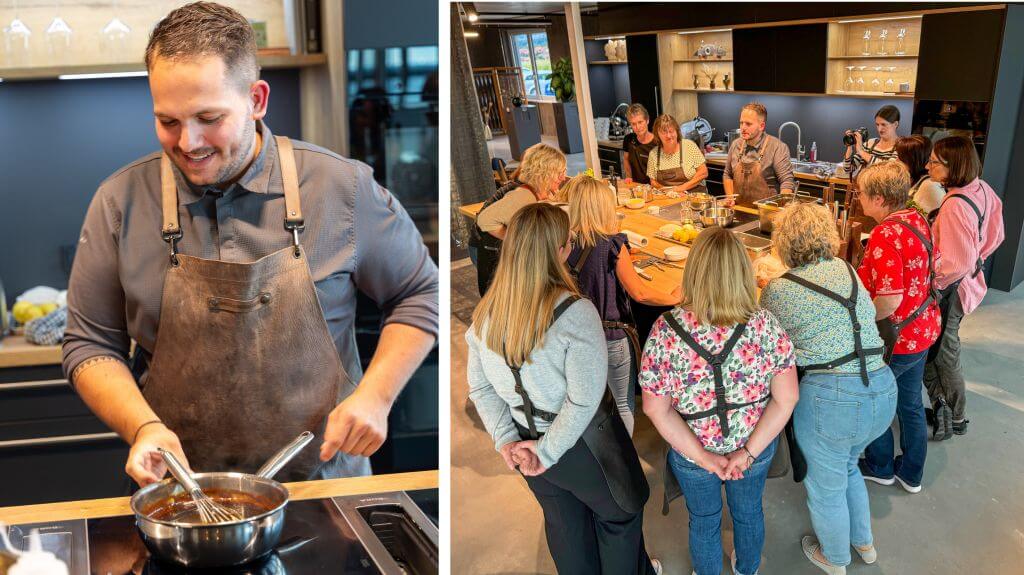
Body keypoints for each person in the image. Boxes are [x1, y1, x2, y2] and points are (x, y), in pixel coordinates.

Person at [62, 2, 438, 486]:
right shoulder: (120, 203)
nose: (188, 142)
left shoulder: (340, 188)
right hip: (184, 494)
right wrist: (144, 426)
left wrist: (378, 395)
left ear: (257, 100)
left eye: (208, 117)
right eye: (168, 121)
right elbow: (89, 344)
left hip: (325, 486)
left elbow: (420, 292)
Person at [466, 203, 660, 575]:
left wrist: (508, 439)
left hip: (526, 441)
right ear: (557, 251)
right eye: (568, 240)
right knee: (619, 518)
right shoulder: (575, 312)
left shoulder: (485, 315)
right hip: (582, 445)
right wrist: (548, 451)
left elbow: (481, 388)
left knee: (566, 526)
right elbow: (584, 400)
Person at [641, 227, 798, 575]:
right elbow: (787, 399)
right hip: (753, 446)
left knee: (704, 519)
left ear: (693, 272)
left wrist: (704, 457)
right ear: (742, 272)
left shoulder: (665, 330)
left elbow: (655, 408)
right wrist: (746, 452)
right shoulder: (766, 326)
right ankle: (747, 568)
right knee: (749, 512)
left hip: (693, 451)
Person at [759, 202, 896, 575]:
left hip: (833, 397)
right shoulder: (847, 269)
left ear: (783, 242)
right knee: (848, 466)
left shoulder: (779, 289)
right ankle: (863, 543)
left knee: (825, 487)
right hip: (882, 387)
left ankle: (834, 559)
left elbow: (766, 340)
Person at [565, 174, 681, 435]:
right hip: (610, 336)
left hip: (576, 337)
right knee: (622, 405)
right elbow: (640, 293)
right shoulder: (611, 245)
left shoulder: (563, 244)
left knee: (588, 403)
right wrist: (675, 297)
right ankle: (624, 464)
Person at [855, 162, 941, 494]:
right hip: (921, 328)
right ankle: (912, 472)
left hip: (897, 338)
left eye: (861, 193)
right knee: (909, 403)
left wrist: (859, 321)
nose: (858, 198)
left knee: (877, 400)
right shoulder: (916, 218)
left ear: (878, 198)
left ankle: (880, 466)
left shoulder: (884, 234)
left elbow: (889, 300)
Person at [924, 136, 1005, 440]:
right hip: (970, 284)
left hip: (952, 291)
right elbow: (997, 233)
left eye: (935, 162)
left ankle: (955, 416)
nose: (928, 165)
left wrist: (933, 282)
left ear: (953, 166)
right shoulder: (982, 189)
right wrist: (978, 255)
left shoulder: (954, 205)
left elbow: (955, 264)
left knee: (944, 353)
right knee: (946, 348)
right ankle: (950, 409)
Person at [474, 143, 567, 295]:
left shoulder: (538, 191)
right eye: (559, 172)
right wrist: (516, 238)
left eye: (564, 171)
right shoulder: (523, 195)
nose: (563, 177)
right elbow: (485, 220)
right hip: (491, 254)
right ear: (544, 172)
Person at [723, 102, 795, 204]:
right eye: (741, 123)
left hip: (766, 212)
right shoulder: (735, 145)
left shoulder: (777, 147)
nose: (743, 128)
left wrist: (783, 206)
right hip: (738, 210)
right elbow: (728, 175)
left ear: (761, 126)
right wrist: (730, 198)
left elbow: (787, 182)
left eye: (748, 124)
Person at [646, 114, 708, 192]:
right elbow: (653, 182)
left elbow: (703, 172)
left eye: (671, 131)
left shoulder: (689, 146)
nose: (668, 136)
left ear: (677, 131)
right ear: (657, 134)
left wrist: (681, 189)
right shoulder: (653, 154)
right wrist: (669, 192)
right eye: (664, 132)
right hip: (668, 197)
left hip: (694, 195)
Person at [843, 105, 901, 179]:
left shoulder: (901, 147)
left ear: (895, 124)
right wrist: (850, 146)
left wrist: (861, 152)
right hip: (863, 189)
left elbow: (887, 170)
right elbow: (848, 169)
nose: (880, 129)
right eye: (877, 124)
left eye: (884, 124)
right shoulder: (870, 143)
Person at [895, 134, 945, 215]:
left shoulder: (930, 186)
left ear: (912, 161)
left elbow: (932, 223)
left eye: (900, 159)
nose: (896, 161)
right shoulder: (911, 179)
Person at [622, 103, 657, 184]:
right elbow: (626, 159)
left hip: (654, 187)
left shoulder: (657, 142)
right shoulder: (628, 139)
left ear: (647, 120)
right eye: (633, 124)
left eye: (640, 122)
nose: (637, 127)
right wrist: (629, 176)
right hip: (636, 186)